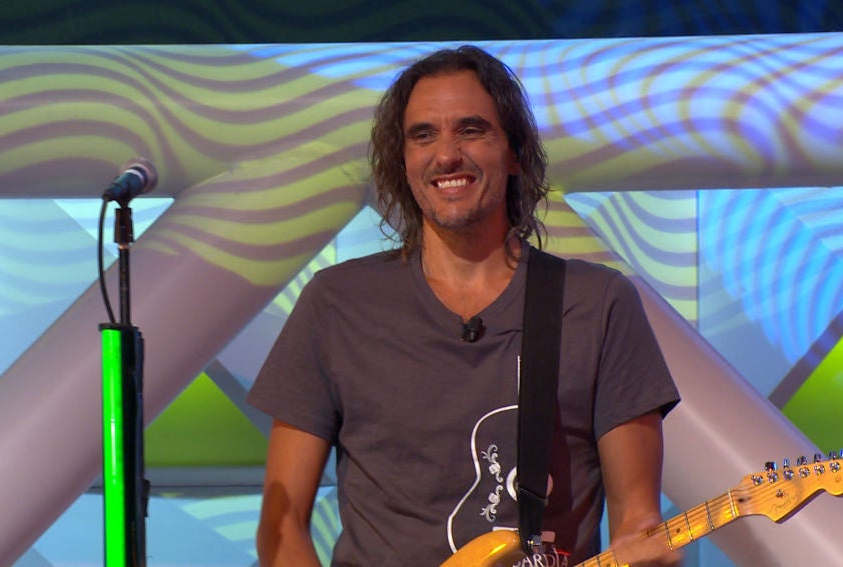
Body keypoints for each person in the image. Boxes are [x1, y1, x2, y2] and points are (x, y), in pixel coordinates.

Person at [247, 45, 681, 566]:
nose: (446, 155)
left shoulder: (597, 303)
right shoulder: (335, 303)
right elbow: (282, 528)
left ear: (515, 152)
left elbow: (637, 523)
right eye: (423, 135)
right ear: (402, 160)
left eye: (471, 130)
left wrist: (650, 553)